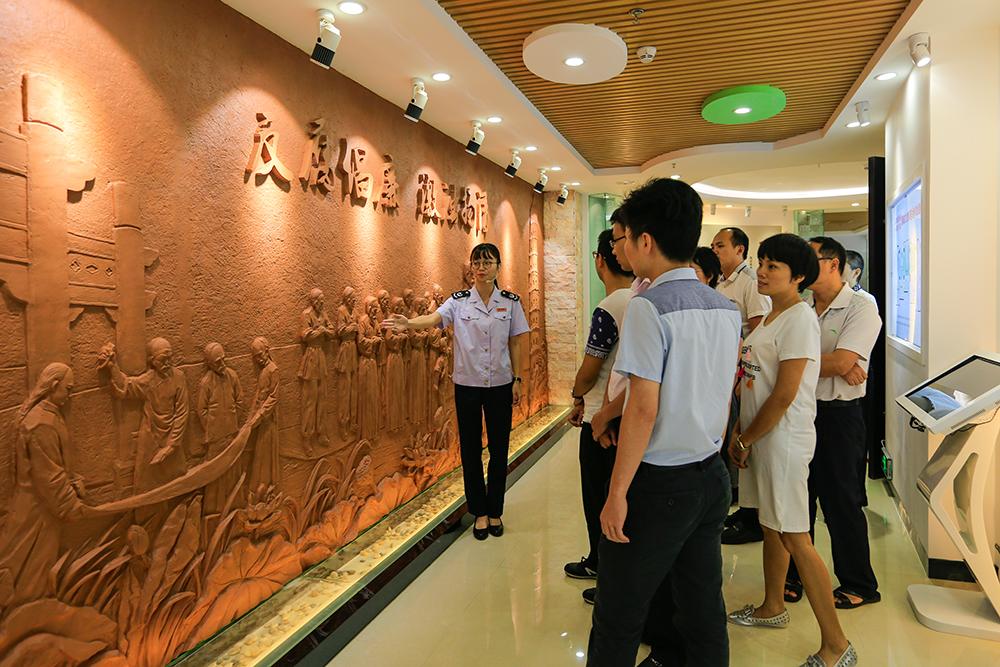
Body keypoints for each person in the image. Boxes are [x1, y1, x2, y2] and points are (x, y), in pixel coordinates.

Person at [587, 178, 741, 667]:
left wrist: (616, 494)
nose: (623, 247)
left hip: (658, 486)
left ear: (645, 241)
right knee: (701, 609)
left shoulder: (648, 308)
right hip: (710, 477)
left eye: (625, 237)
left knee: (618, 615)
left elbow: (643, 408)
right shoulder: (726, 307)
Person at [726, 233, 856, 667]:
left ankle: (837, 645)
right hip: (760, 437)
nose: (761, 271)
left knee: (795, 535)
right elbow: (752, 382)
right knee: (771, 526)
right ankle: (772, 606)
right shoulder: (767, 318)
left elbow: (783, 394)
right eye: (761, 262)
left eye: (773, 266)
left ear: (798, 277)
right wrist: (740, 433)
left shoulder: (800, 319)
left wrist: (746, 437)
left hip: (782, 440)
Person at [382, 243, 528, 540]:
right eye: (477, 261)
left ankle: (496, 509)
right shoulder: (459, 302)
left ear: (498, 267)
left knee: (500, 450)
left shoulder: (510, 302)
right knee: (471, 450)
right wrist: (408, 323)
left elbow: (516, 342)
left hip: (500, 384)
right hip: (468, 386)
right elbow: (434, 319)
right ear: (471, 267)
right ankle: (480, 513)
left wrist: (518, 378)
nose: (481, 266)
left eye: (488, 262)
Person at [782, 237, 883, 611]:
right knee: (798, 497)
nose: (803, 266)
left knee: (841, 501)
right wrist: (832, 363)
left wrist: (796, 363)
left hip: (840, 417)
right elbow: (835, 364)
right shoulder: (802, 305)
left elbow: (842, 364)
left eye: (810, 259)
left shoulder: (861, 306)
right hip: (802, 409)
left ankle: (859, 583)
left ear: (833, 264)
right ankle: (795, 577)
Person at [563, 228, 634, 580]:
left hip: (601, 420)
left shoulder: (609, 307)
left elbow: (591, 369)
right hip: (630, 413)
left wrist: (576, 395)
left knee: (598, 496)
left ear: (600, 260)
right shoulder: (640, 300)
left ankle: (601, 565)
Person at [712, 227, 770, 545]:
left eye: (721, 245)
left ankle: (749, 513)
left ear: (740, 249)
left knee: (740, 434)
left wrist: (741, 372)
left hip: (741, 372)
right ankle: (741, 506)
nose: (715, 250)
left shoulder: (749, 283)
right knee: (730, 435)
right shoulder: (719, 282)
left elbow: (757, 330)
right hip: (722, 371)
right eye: (713, 246)